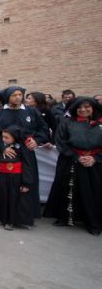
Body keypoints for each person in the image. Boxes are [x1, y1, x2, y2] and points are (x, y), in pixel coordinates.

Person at [0, 86, 50, 219]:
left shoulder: (31, 112)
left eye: (20, 94)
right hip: (5, 153)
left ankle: (25, 213)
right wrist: (2, 147)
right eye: (14, 95)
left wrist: (37, 140)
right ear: (7, 97)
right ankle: (1, 211)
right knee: (3, 183)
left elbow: (43, 129)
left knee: (25, 182)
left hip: (25, 153)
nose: (18, 97)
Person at [45, 97, 102, 235]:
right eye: (79, 107)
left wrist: (95, 158)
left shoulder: (100, 123)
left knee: (94, 192)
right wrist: (77, 157)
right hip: (71, 160)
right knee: (68, 190)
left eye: (87, 107)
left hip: (96, 163)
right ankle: (65, 218)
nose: (83, 110)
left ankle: (93, 223)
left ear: (93, 107)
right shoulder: (67, 123)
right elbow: (60, 141)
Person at [0, 127, 34, 230]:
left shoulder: (21, 148)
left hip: (15, 178)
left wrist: (25, 183)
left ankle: (12, 221)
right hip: (2, 177)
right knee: (3, 198)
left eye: (7, 137)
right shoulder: (1, 148)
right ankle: (4, 219)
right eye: (2, 137)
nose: (3, 139)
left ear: (14, 138)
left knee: (14, 199)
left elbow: (27, 166)